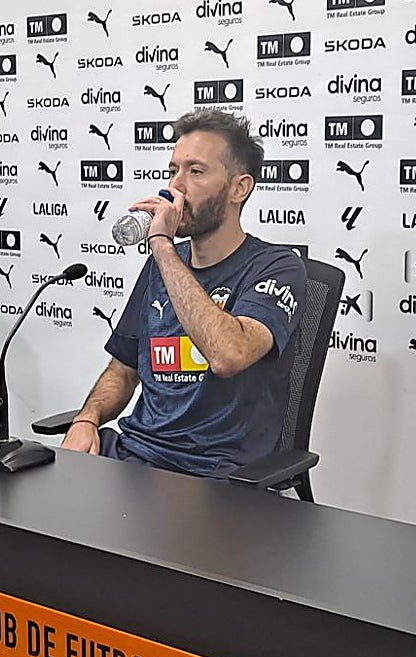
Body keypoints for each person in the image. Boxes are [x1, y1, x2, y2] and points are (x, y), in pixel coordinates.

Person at [61, 109, 306, 479]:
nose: (176, 187)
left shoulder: (278, 267)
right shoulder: (164, 265)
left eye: (195, 171)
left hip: (214, 474)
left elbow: (228, 354)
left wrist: (161, 244)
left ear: (239, 188)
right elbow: (123, 369)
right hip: (135, 457)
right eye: (173, 170)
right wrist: (87, 419)